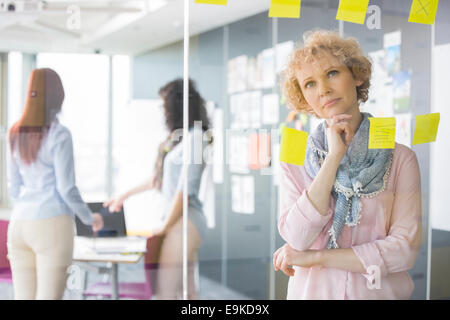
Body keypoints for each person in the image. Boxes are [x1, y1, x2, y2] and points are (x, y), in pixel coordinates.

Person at [273, 30, 422, 299]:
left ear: (357, 75)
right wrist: (332, 160)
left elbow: (404, 250)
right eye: (309, 84)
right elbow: (297, 238)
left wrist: (317, 258)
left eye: (332, 73)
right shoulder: (294, 159)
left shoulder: (401, 159)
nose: (323, 90)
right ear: (304, 98)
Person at [104, 78, 212, 299]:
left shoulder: (196, 138)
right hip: (176, 221)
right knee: (187, 291)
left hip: (184, 222)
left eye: (165, 105)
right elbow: (157, 180)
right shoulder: (178, 140)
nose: (163, 111)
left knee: (165, 291)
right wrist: (123, 196)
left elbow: (185, 190)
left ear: (177, 106)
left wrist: (164, 227)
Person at [7, 68, 104, 300]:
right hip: (51, 224)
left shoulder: (15, 133)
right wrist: (90, 218)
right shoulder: (59, 135)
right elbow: (66, 188)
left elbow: (13, 187)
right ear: (58, 96)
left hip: (19, 224)